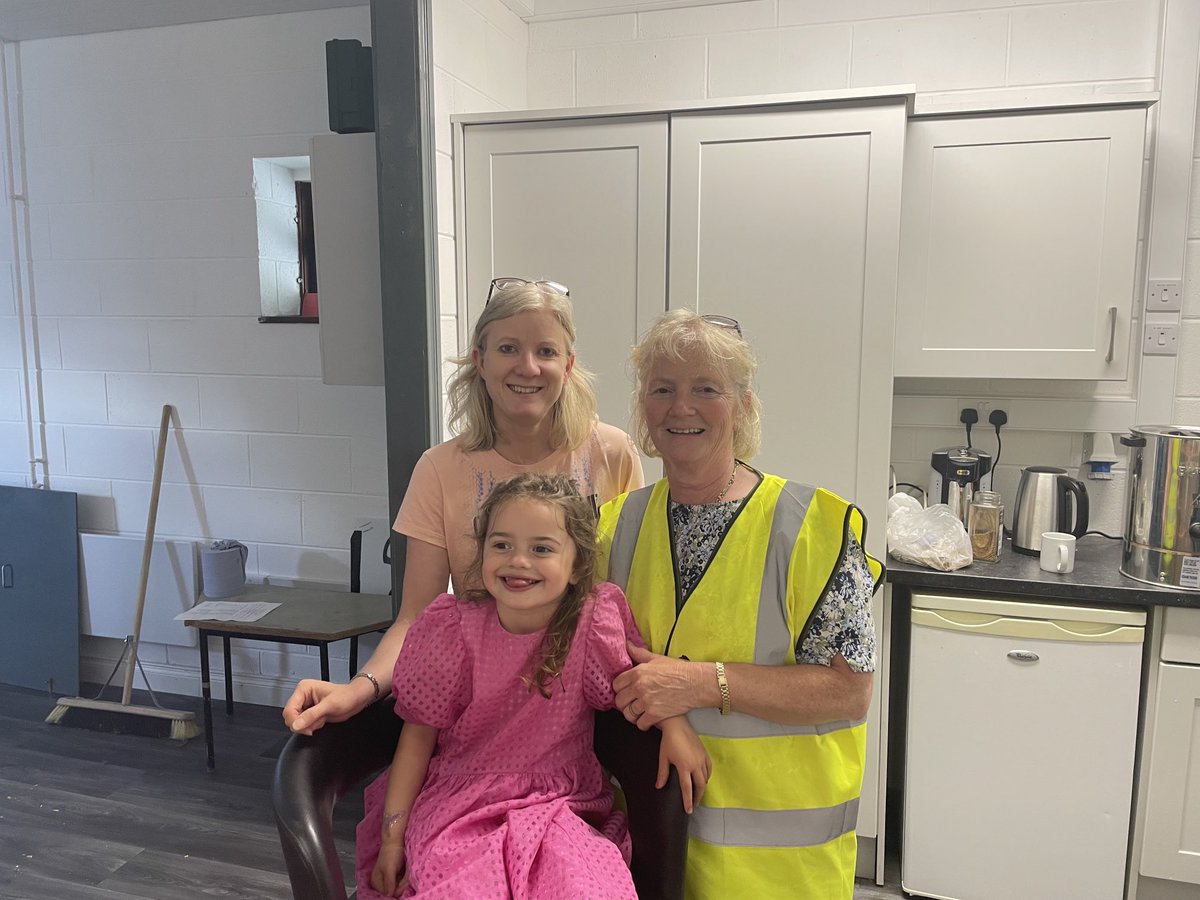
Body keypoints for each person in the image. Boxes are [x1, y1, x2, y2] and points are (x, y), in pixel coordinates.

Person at [596, 309, 883, 899]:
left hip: (778, 876)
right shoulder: (613, 528)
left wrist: (702, 684)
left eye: (707, 388)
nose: (683, 407)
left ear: (743, 404)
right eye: (663, 389)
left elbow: (849, 692)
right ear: (643, 414)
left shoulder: (813, 529)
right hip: (647, 856)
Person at [283, 278, 644, 735]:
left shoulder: (611, 454)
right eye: (509, 348)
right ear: (480, 359)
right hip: (483, 718)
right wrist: (360, 687)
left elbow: (630, 605)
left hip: (595, 710)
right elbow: (417, 616)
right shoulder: (439, 470)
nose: (528, 367)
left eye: (546, 352)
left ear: (568, 365)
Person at [358, 473, 710, 899]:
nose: (518, 561)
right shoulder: (452, 629)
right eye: (501, 544)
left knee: (588, 889)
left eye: (541, 548)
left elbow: (634, 683)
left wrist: (674, 724)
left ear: (578, 563)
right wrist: (393, 839)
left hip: (560, 808)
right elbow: (417, 737)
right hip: (462, 808)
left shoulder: (592, 623)